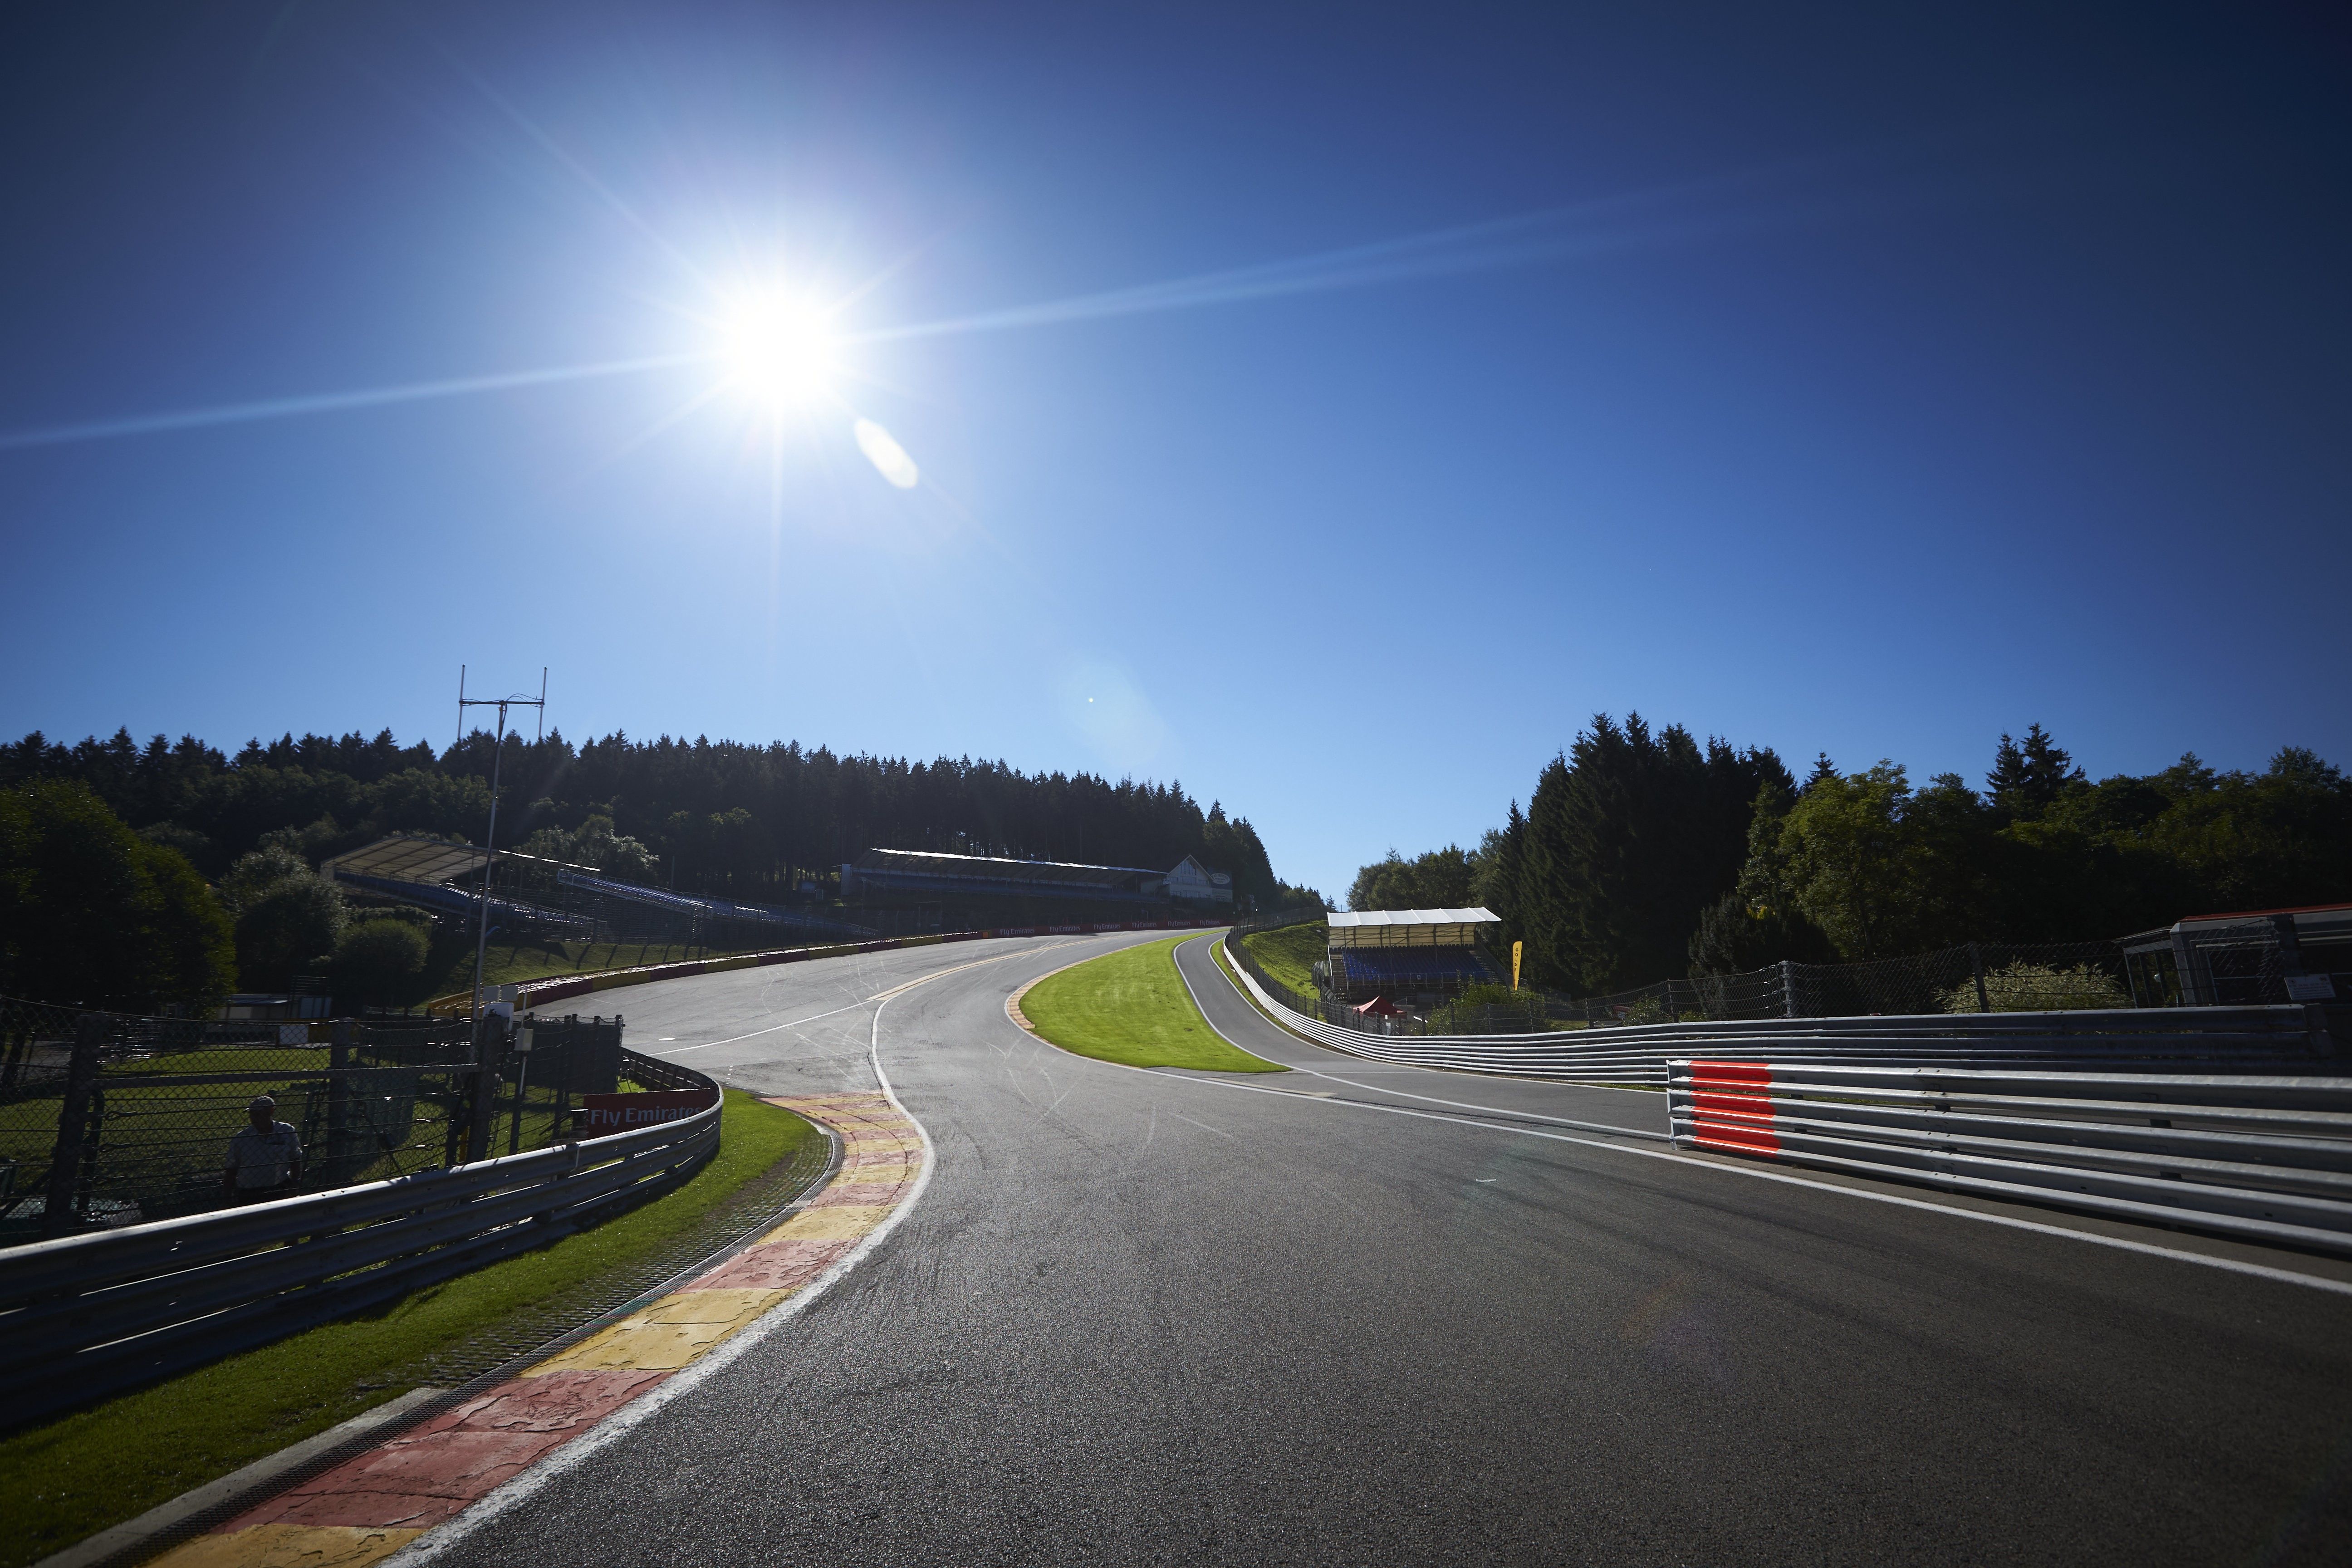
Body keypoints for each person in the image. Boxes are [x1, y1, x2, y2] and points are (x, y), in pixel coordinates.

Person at [222, 1094, 304, 1204]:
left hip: (280, 1187)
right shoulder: (242, 1138)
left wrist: (295, 1185)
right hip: (249, 1193)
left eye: (257, 1114)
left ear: (271, 1112)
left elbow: (295, 1159)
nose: (253, 1118)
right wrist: (227, 1197)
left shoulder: (287, 1131)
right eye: (252, 1114)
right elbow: (231, 1170)